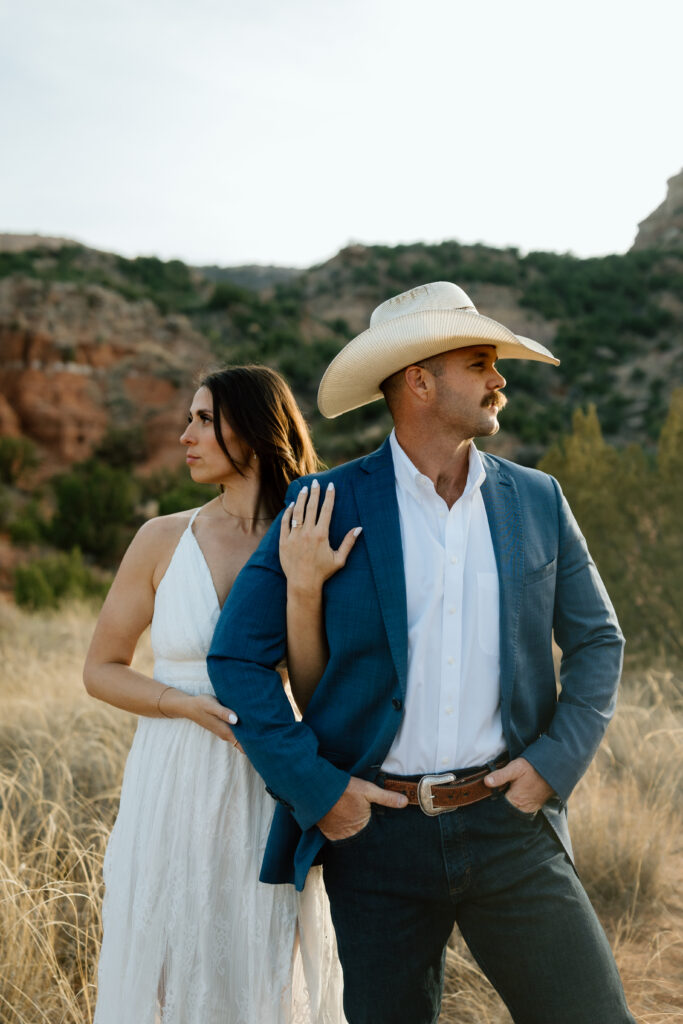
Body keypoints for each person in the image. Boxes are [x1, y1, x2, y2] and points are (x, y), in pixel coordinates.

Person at [207, 283, 636, 1024]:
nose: (498, 378)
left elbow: (598, 638)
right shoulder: (324, 502)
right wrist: (320, 791)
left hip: (511, 824)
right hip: (376, 839)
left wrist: (552, 764)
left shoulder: (538, 500)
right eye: (479, 361)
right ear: (418, 379)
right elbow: (236, 661)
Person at [83, 365, 349, 1024]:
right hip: (170, 773)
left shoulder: (304, 536)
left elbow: (313, 684)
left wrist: (306, 586)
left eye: (204, 420)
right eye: (190, 419)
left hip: (264, 770)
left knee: (259, 959)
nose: (184, 435)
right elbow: (101, 668)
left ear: (253, 431)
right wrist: (181, 705)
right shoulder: (161, 539)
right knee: (166, 959)